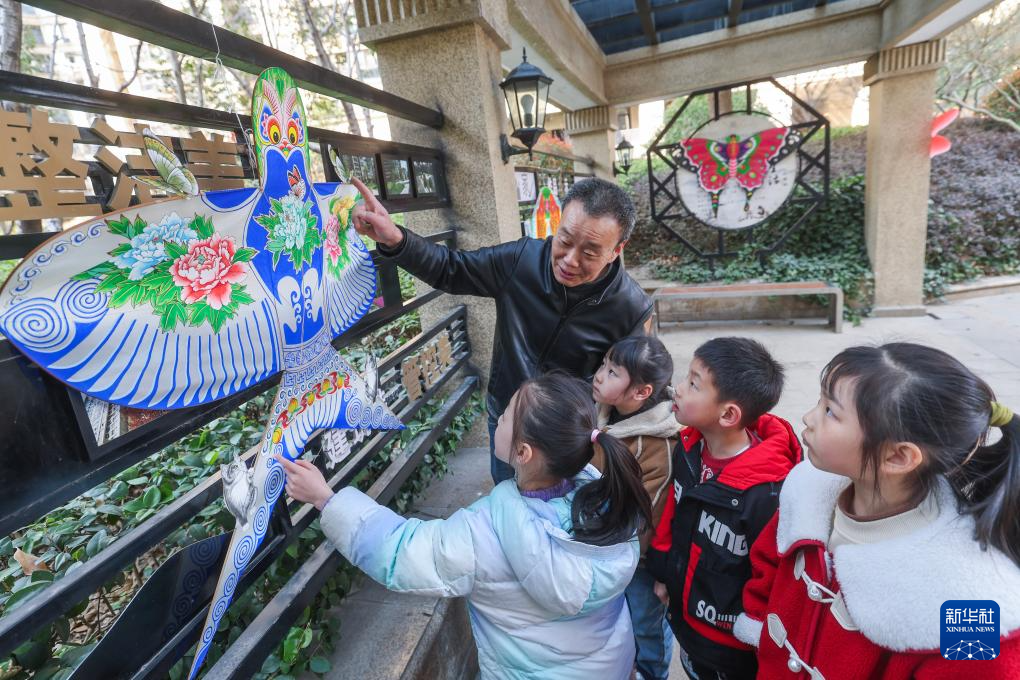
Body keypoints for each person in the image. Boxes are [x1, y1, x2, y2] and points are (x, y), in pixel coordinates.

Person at [278, 373, 653, 679]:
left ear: (523, 452)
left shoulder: (484, 533)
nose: (499, 418)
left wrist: (327, 499)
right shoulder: (607, 503)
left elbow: (403, 552)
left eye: (506, 415)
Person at [735, 343, 1020, 678]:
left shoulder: (971, 599)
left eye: (831, 411)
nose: (809, 417)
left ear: (898, 457)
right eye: (820, 402)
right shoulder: (807, 490)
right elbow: (768, 565)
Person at [349, 176, 652, 484]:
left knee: (559, 509)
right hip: (508, 416)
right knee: (507, 498)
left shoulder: (631, 308)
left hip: (568, 435)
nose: (570, 260)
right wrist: (396, 239)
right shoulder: (522, 260)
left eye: (589, 253)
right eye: (564, 239)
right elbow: (452, 269)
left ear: (616, 250)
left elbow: (633, 387)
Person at [646, 337, 799, 680]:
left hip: (729, 643)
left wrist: (754, 628)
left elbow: (770, 572)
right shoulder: (689, 448)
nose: (678, 389)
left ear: (728, 414)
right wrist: (664, 572)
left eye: (693, 384)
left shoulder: (766, 493)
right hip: (687, 619)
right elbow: (673, 512)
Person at [590, 335, 680, 680]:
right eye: (603, 365)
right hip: (607, 547)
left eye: (613, 372)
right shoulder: (604, 413)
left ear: (641, 392)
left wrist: (619, 556)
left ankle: (652, 673)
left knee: (646, 626)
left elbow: (649, 517)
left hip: (639, 560)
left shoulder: (655, 445)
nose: (600, 375)